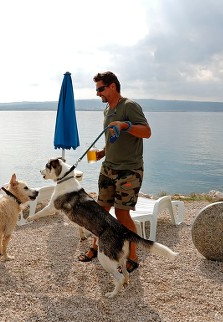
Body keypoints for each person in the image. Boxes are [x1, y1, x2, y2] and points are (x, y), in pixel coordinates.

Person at [78, 71, 152, 274]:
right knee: (100, 213)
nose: (97, 94)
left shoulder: (129, 106)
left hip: (129, 170)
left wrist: (125, 125)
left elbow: (146, 132)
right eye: (96, 90)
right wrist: (103, 152)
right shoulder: (107, 111)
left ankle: (133, 257)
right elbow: (113, 136)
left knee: (121, 213)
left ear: (112, 86)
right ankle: (95, 248)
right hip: (108, 168)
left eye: (100, 89)